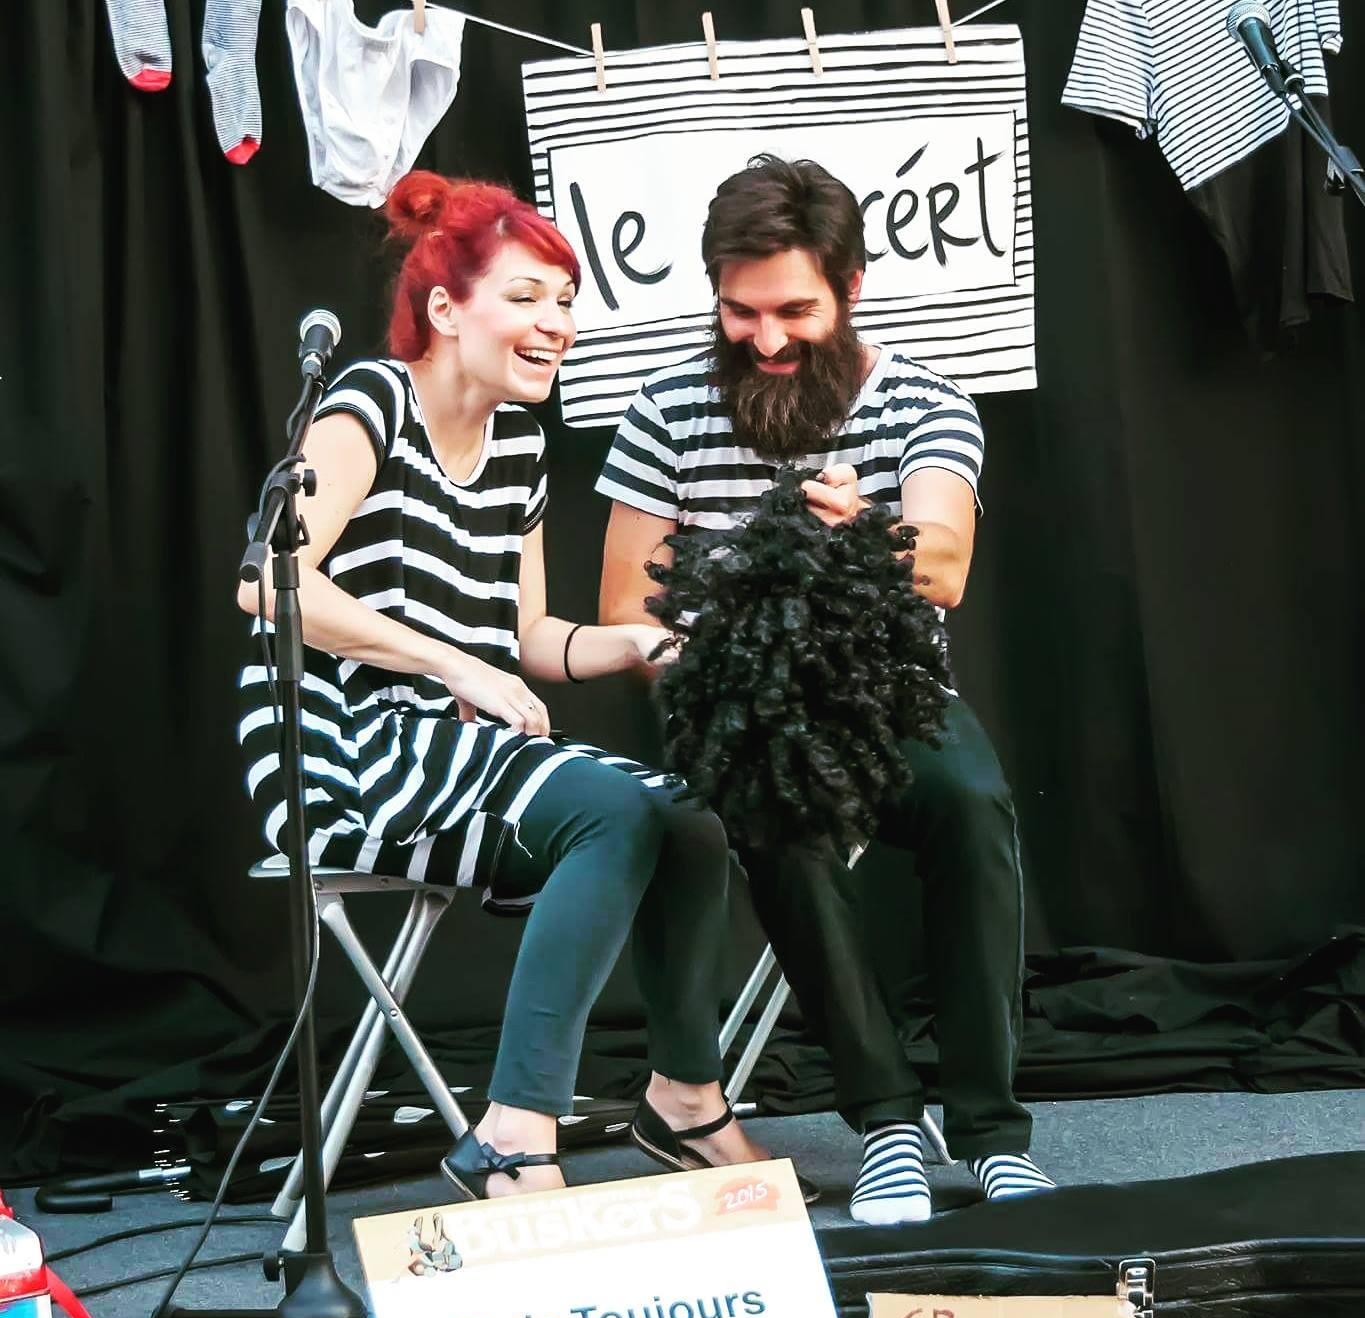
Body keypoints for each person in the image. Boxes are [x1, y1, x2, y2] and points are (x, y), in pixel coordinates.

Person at [237, 170, 798, 1203]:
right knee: (616, 814)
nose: (558, 324)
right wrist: (452, 661)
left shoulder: (523, 447)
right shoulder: (371, 402)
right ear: (446, 310)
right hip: (345, 740)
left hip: (457, 741)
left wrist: (636, 644)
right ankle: (513, 1129)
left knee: (688, 821)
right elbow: (269, 585)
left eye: (566, 301)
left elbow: (532, 637)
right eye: (529, 298)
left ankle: (683, 1099)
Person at [598, 154, 1055, 1224]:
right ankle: (889, 1120)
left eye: (793, 310)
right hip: (737, 702)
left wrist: (859, 536)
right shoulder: (664, 409)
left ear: (851, 290)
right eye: (739, 311)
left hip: (887, 690)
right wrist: (712, 669)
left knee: (974, 806)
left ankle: (991, 1129)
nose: (764, 337)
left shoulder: (924, 402)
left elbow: (944, 564)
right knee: (778, 814)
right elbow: (627, 605)